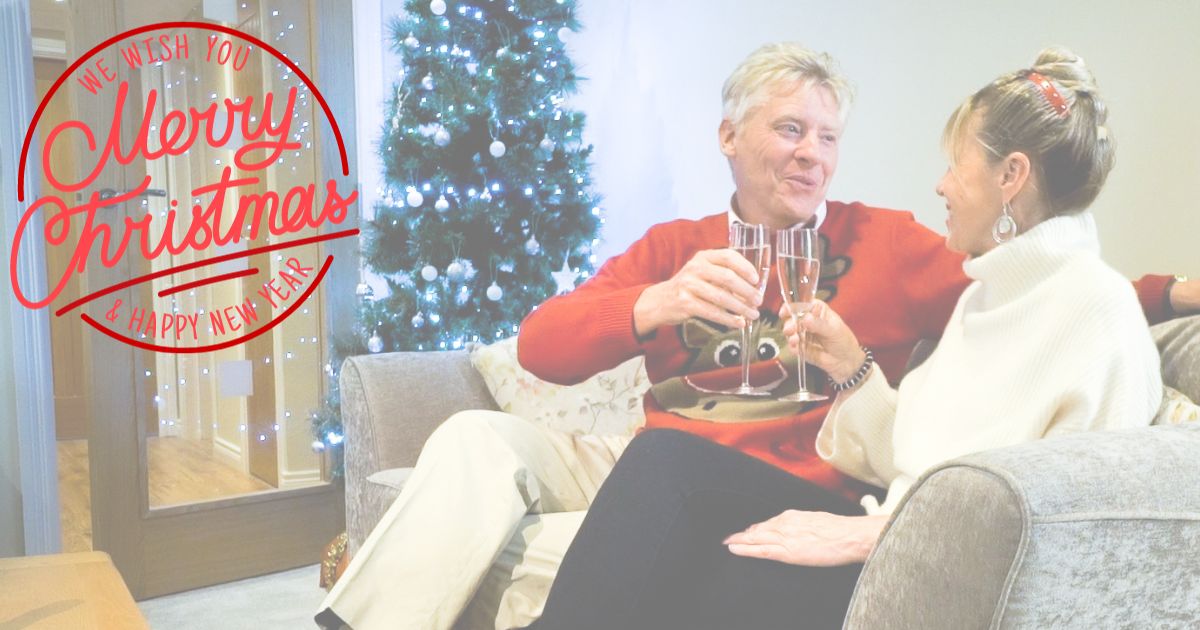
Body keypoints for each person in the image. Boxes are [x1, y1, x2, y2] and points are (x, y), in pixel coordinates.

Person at [317, 43, 1193, 630]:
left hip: (790, 480)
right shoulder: (674, 248)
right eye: (789, 130)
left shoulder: (890, 243)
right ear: (730, 138)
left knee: (669, 491)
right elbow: (541, 346)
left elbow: (1050, 289)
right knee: (477, 435)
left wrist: (1178, 290)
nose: (813, 153)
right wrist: (652, 305)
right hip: (653, 459)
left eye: (828, 136)